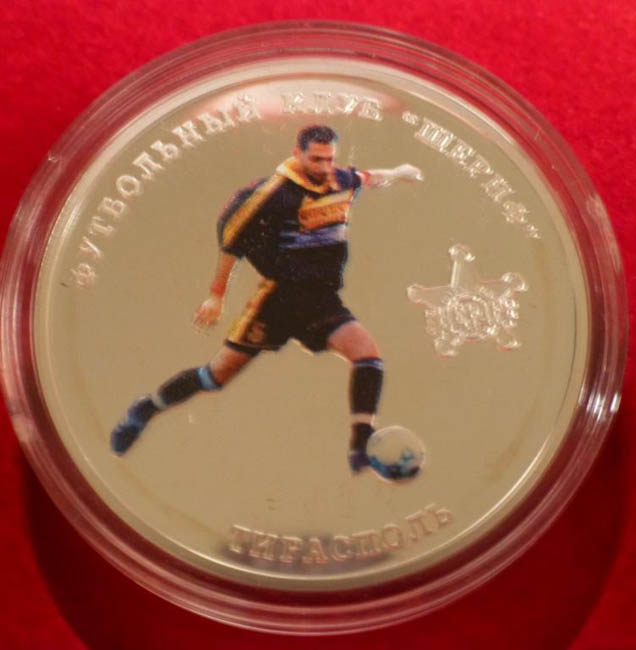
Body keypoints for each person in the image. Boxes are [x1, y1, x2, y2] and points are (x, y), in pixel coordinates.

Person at [111, 124, 423, 473]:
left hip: (321, 300)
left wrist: (398, 173)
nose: (324, 167)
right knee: (215, 376)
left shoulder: (341, 180)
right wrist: (216, 295)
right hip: (278, 302)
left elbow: (367, 177)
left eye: (329, 159)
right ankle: (147, 408)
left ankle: (360, 447)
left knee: (367, 356)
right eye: (316, 159)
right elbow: (231, 242)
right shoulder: (272, 194)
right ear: (297, 154)